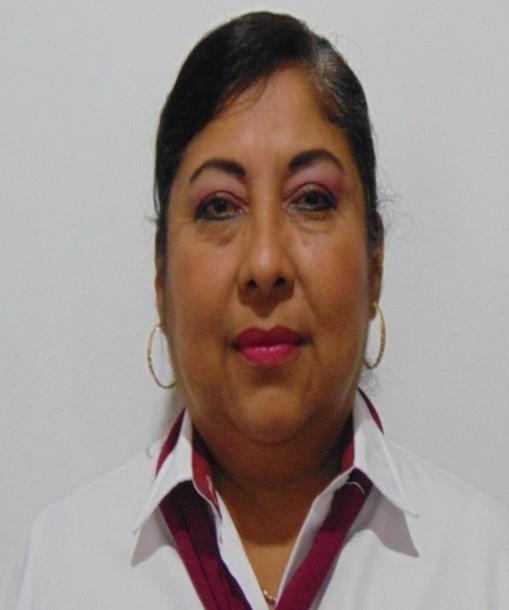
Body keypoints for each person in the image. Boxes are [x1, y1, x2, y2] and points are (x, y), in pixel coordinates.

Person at [3, 11, 508, 610]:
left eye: (311, 199)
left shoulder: (483, 567)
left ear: (375, 262)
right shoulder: (62, 569)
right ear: (162, 278)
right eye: (219, 206)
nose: (266, 264)